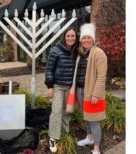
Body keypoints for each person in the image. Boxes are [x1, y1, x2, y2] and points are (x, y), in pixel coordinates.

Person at [74, 23, 108, 154]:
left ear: (93, 39)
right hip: (81, 91)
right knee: (86, 117)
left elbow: (101, 76)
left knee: (94, 120)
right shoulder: (81, 54)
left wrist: (95, 94)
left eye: (89, 37)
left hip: (93, 93)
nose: (86, 40)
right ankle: (89, 138)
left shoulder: (99, 53)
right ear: (81, 39)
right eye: (84, 38)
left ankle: (96, 148)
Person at [44, 27, 78, 153]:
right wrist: (50, 86)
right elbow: (49, 69)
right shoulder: (55, 50)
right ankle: (53, 137)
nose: (70, 38)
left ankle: (65, 133)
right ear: (64, 37)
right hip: (58, 86)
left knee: (67, 111)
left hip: (70, 87)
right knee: (57, 111)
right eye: (68, 36)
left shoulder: (76, 51)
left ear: (76, 37)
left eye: (73, 36)